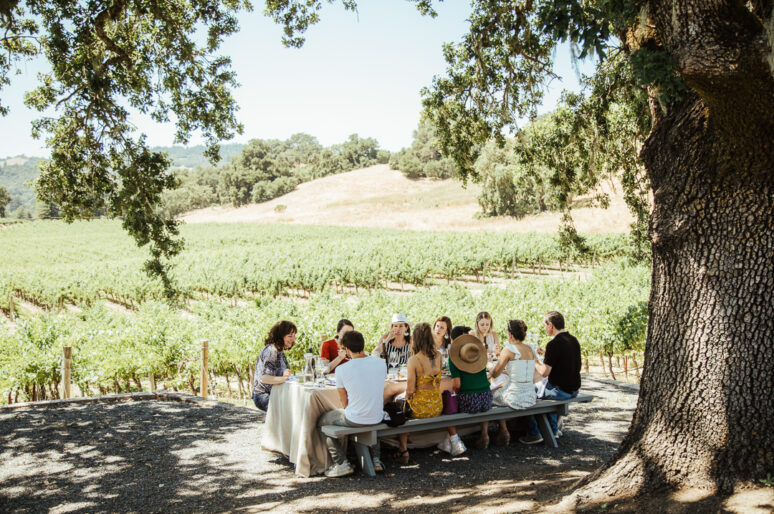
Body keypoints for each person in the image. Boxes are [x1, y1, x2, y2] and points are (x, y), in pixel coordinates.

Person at [318, 330, 387, 477]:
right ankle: (376, 460)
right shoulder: (381, 363)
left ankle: (341, 463)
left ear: (346, 350)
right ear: (363, 345)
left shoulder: (342, 369)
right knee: (369, 416)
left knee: (323, 421)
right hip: (378, 415)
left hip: (355, 418)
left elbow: (344, 401)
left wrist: (353, 410)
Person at [519, 311, 582, 444]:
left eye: (545, 325)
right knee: (544, 387)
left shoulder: (554, 344)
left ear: (551, 325)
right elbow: (565, 357)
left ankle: (533, 433)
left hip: (560, 392)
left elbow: (544, 372)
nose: (544, 328)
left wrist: (534, 359)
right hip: (574, 389)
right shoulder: (573, 340)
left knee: (525, 392)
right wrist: (547, 353)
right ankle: (553, 429)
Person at [395, 322, 444, 464]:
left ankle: (403, 448)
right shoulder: (439, 356)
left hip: (421, 409)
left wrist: (400, 397)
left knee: (397, 405)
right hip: (437, 406)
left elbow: (410, 391)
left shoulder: (414, 360)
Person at [437, 333, 493, 455]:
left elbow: (456, 385)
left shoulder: (454, 358)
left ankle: (454, 439)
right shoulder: (479, 354)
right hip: (487, 398)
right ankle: (484, 434)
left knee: (448, 404)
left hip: (470, 401)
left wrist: (456, 394)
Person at [489, 320, 537, 446]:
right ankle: (506, 429)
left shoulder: (509, 349)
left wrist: (489, 370)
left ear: (510, 335)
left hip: (514, 398)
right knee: (501, 388)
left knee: (490, 395)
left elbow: (495, 374)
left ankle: (500, 431)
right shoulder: (531, 348)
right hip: (531, 396)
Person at [252, 320, 296, 411]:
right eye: (290, 336)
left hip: (275, 393)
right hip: (263, 396)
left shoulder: (280, 351)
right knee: (292, 410)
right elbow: (265, 378)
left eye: (294, 336)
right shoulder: (272, 351)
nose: (293, 339)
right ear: (280, 336)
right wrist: (284, 379)